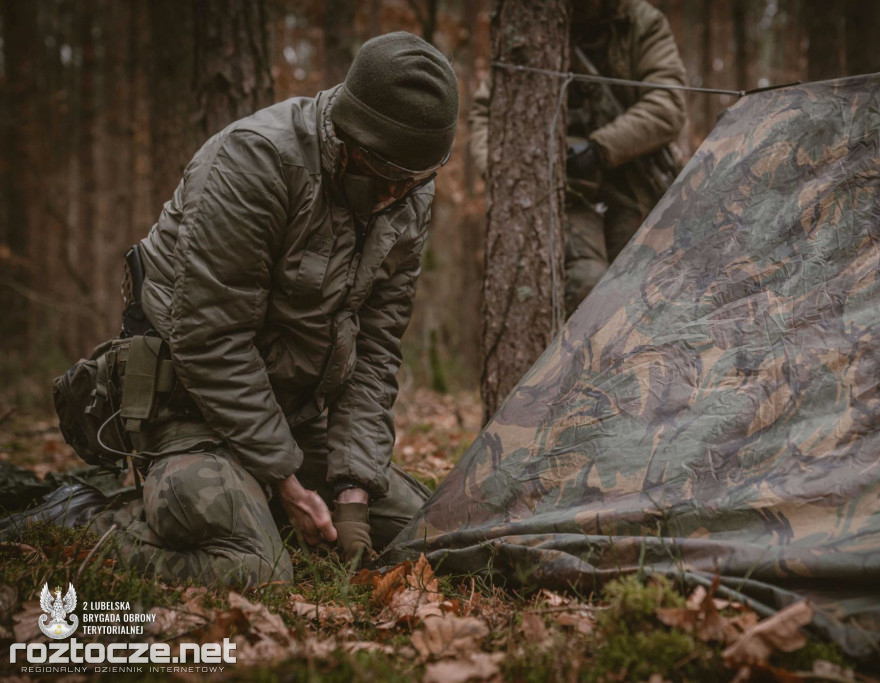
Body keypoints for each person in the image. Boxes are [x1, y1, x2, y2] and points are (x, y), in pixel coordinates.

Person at [89, 31, 459, 587]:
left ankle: (261, 501)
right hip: (189, 410)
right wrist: (288, 483)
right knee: (254, 570)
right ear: (348, 135)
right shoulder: (255, 161)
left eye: (413, 181)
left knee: (433, 537)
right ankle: (103, 519)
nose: (394, 195)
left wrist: (353, 494)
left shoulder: (407, 191)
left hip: (291, 417)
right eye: (383, 175)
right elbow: (209, 341)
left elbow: (376, 349)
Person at [468, 0, 687, 312]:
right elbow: (484, 114)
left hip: (631, 186)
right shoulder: (535, 19)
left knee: (645, 294)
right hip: (561, 192)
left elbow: (667, 105)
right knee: (588, 288)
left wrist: (599, 149)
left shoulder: (640, 22)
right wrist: (502, 175)